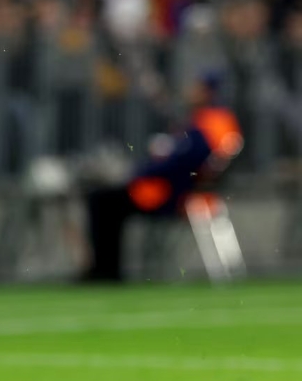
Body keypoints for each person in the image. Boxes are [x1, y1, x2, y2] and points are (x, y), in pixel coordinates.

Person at [81, 72, 242, 282]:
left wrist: (139, 172)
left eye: (195, 87)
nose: (189, 91)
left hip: (173, 193)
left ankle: (105, 270)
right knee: (107, 199)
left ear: (207, 92)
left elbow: (182, 162)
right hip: (184, 189)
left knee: (102, 201)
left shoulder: (208, 123)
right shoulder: (219, 121)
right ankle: (106, 269)